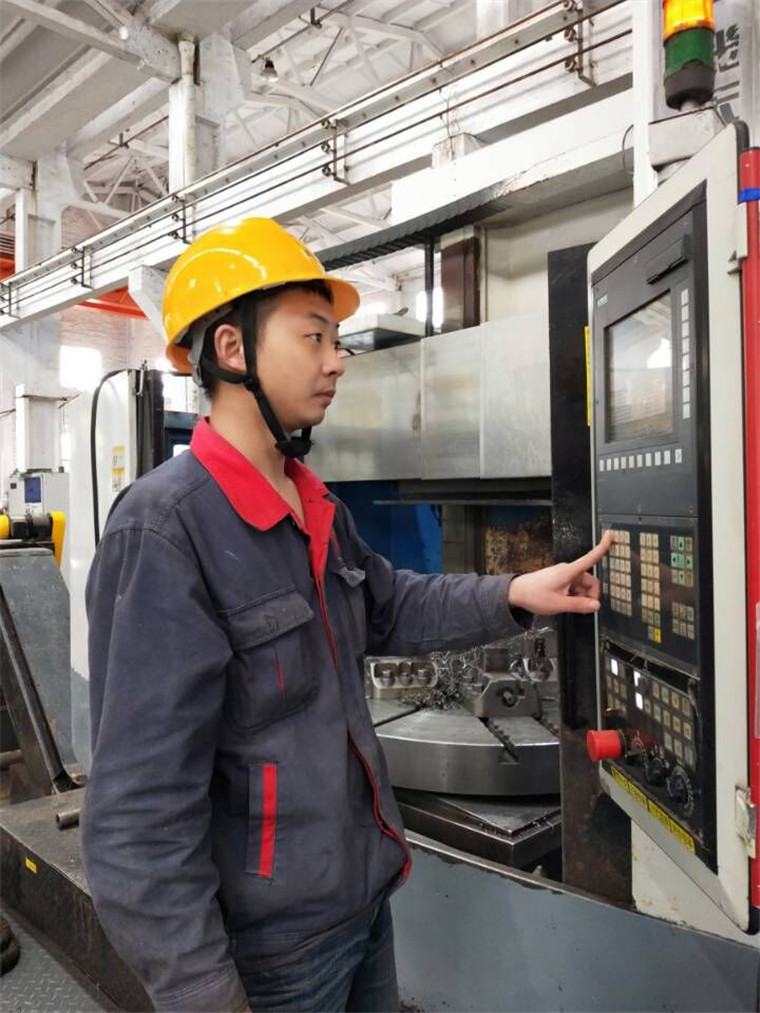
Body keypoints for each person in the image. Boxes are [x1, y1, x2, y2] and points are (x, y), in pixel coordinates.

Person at [81, 218, 611, 1013]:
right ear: (232, 348)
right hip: (269, 960)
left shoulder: (313, 503)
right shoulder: (165, 531)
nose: (337, 360)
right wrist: (201, 993)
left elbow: (391, 603)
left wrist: (514, 593)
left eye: (338, 341)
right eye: (314, 337)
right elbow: (137, 812)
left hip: (362, 910)